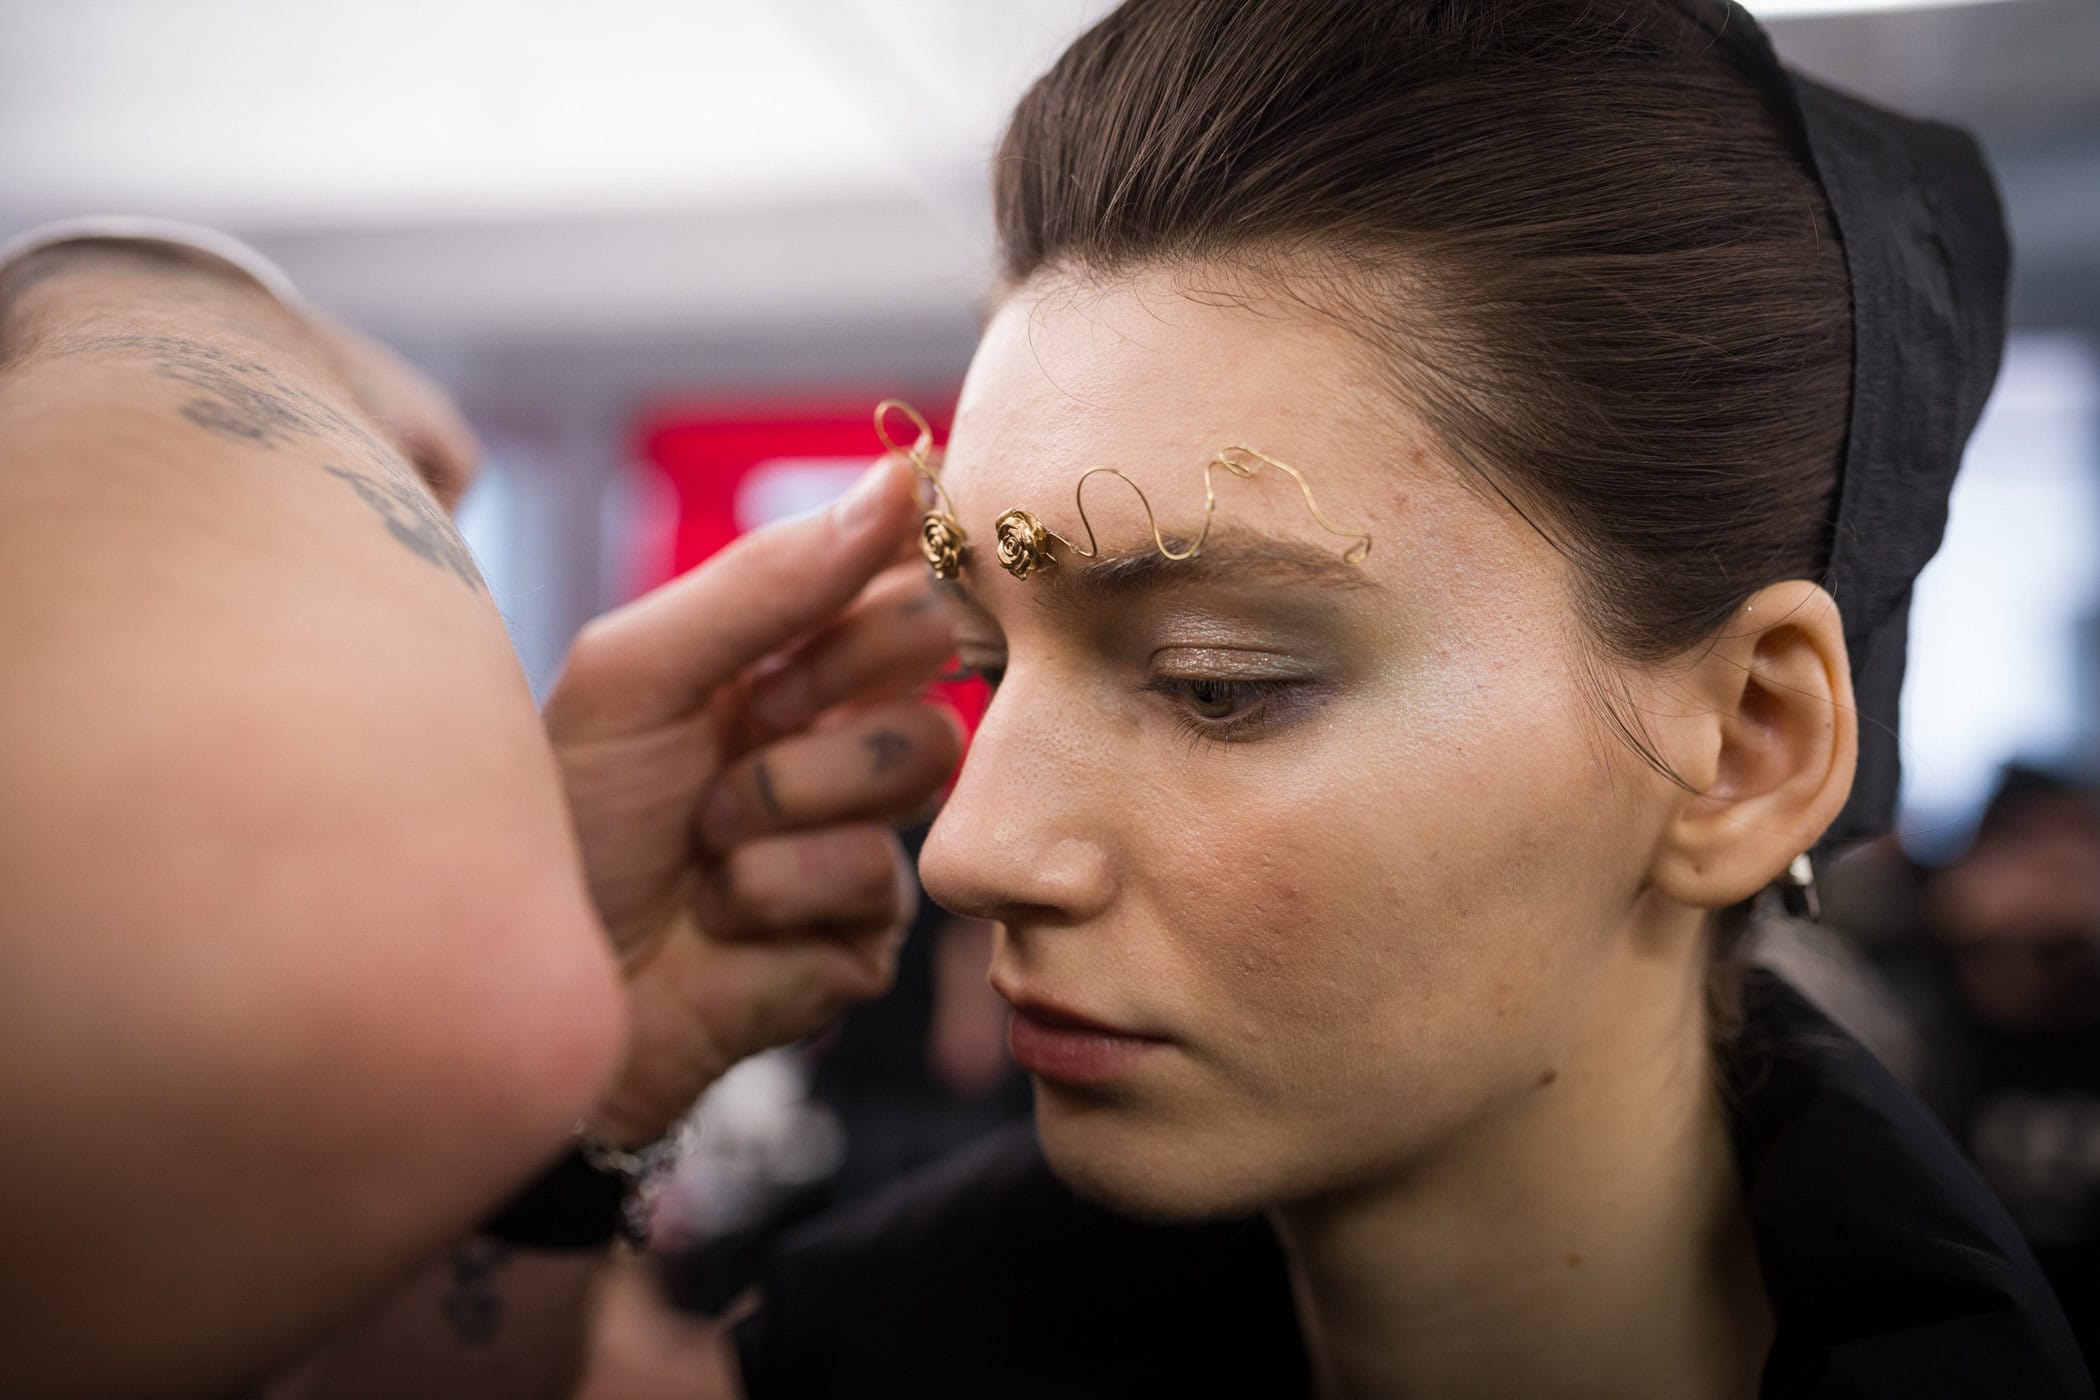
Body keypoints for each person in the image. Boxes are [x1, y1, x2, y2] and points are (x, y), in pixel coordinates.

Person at [714, 2, 2094, 1397]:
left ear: (1745, 746)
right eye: (987, 664)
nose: (970, 853)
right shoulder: (869, 1353)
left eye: (1215, 686)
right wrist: (565, 1125)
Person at [0, 226, 962, 1396]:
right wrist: (596, 1111)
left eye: (1209, 684)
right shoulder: (952, 1290)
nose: (971, 845)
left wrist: (161, 294)